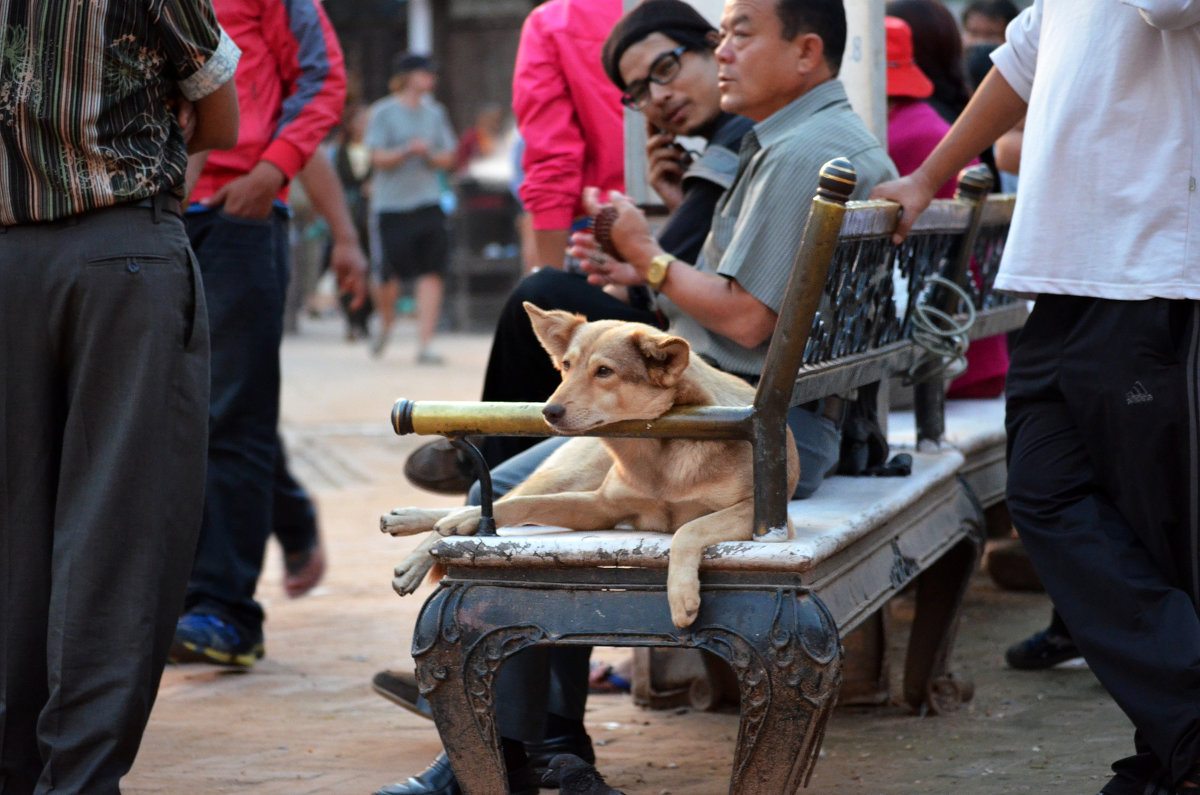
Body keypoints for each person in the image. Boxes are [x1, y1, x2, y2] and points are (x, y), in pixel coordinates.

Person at [374, 1, 896, 793]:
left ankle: (504, 749)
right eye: (719, 34)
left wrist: (648, 258)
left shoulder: (801, 154)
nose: (722, 51)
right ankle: (543, 736)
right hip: (750, 407)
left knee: (503, 517)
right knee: (513, 488)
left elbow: (747, 321)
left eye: (740, 32)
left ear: (807, 51)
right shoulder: (800, 141)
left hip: (735, 424)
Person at [870, 2, 1200, 791]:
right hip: (1059, 274)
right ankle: (1186, 735)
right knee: (1045, 495)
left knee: (1161, 532)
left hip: (1151, 267)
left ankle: (1172, 752)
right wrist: (924, 175)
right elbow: (1020, 62)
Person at [0, 2, 239, 790]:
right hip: (122, 254)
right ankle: (78, 775)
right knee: (119, 529)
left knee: (13, 528)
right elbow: (221, 120)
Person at [170, 0, 348, 669]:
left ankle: (222, 609)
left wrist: (269, 172)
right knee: (173, 410)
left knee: (229, 413)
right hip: (134, 215)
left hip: (234, 214)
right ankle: (284, 522)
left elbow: (323, 80)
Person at [512, 0, 626, 272]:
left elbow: (552, 155)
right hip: (705, 222)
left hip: (598, 235)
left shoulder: (552, 22)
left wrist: (550, 281)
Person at [364, 53, 457, 364]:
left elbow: (449, 156)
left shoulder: (436, 113)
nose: (430, 78)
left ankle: (425, 342)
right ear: (407, 76)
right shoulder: (383, 112)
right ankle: (386, 321)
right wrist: (405, 151)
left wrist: (429, 154)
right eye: (424, 73)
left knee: (432, 271)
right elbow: (375, 157)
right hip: (391, 206)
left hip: (428, 202)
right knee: (386, 274)